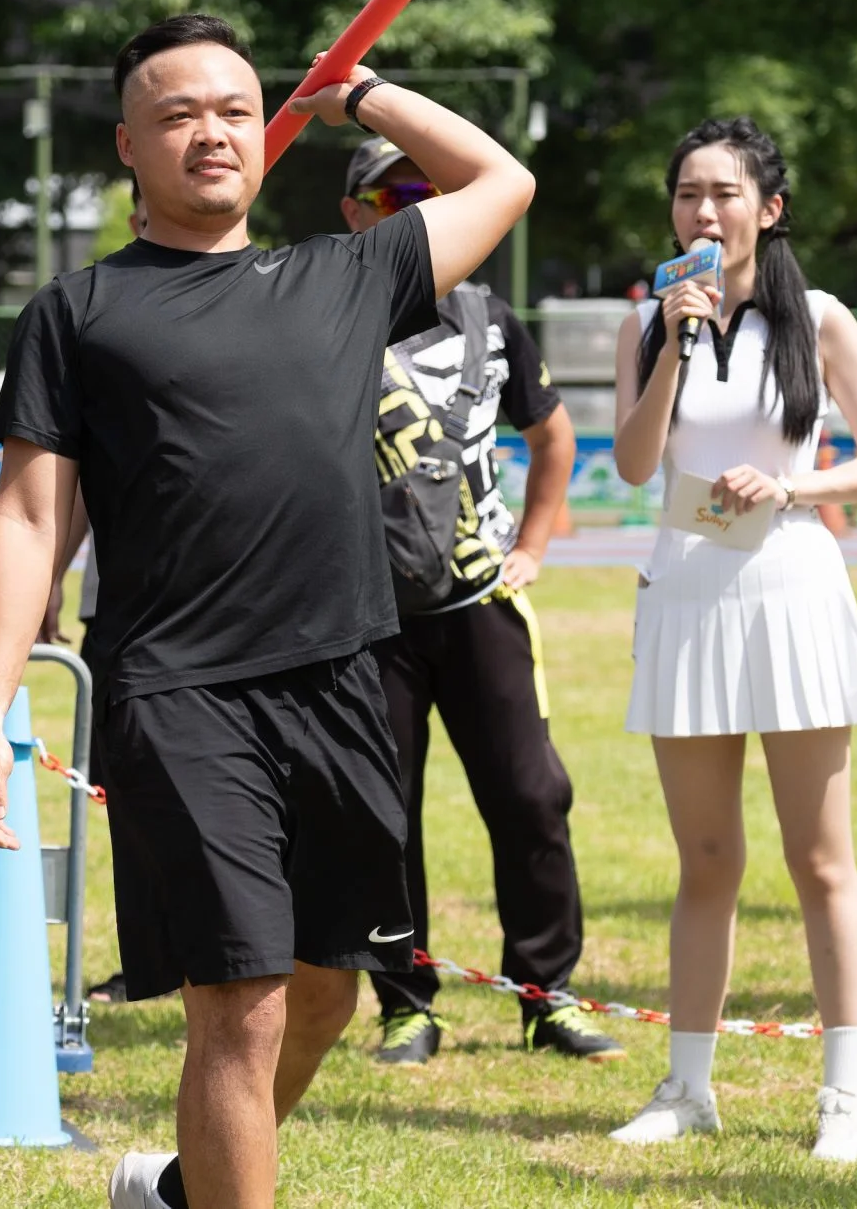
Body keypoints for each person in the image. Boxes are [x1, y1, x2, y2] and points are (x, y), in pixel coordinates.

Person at [0, 15, 532, 1209]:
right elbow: (25, 518)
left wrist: (360, 93)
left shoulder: (347, 272)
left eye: (231, 109)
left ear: (263, 132)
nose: (209, 132)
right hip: (177, 692)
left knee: (327, 988)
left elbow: (501, 179)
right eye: (176, 115)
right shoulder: (82, 312)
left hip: (342, 680)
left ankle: (183, 1189)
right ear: (128, 146)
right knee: (242, 999)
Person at [606, 116, 857, 1163]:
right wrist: (671, 347)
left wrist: (793, 486)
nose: (703, 212)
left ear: (768, 210)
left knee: (821, 860)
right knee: (705, 860)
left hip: (790, 585)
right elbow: (637, 465)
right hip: (684, 591)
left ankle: (844, 1096)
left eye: (724, 193)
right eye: (687, 194)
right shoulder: (650, 323)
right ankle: (686, 1085)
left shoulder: (819, 319)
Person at [335, 137, 614, 1069]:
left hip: (481, 599)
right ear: (354, 214)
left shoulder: (490, 316)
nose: (412, 210)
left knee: (533, 796)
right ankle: (404, 1005)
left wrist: (534, 542)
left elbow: (555, 432)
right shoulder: (327, 313)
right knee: (380, 815)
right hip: (368, 618)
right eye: (390, 196)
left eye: (430, 191)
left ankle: (548, 996)